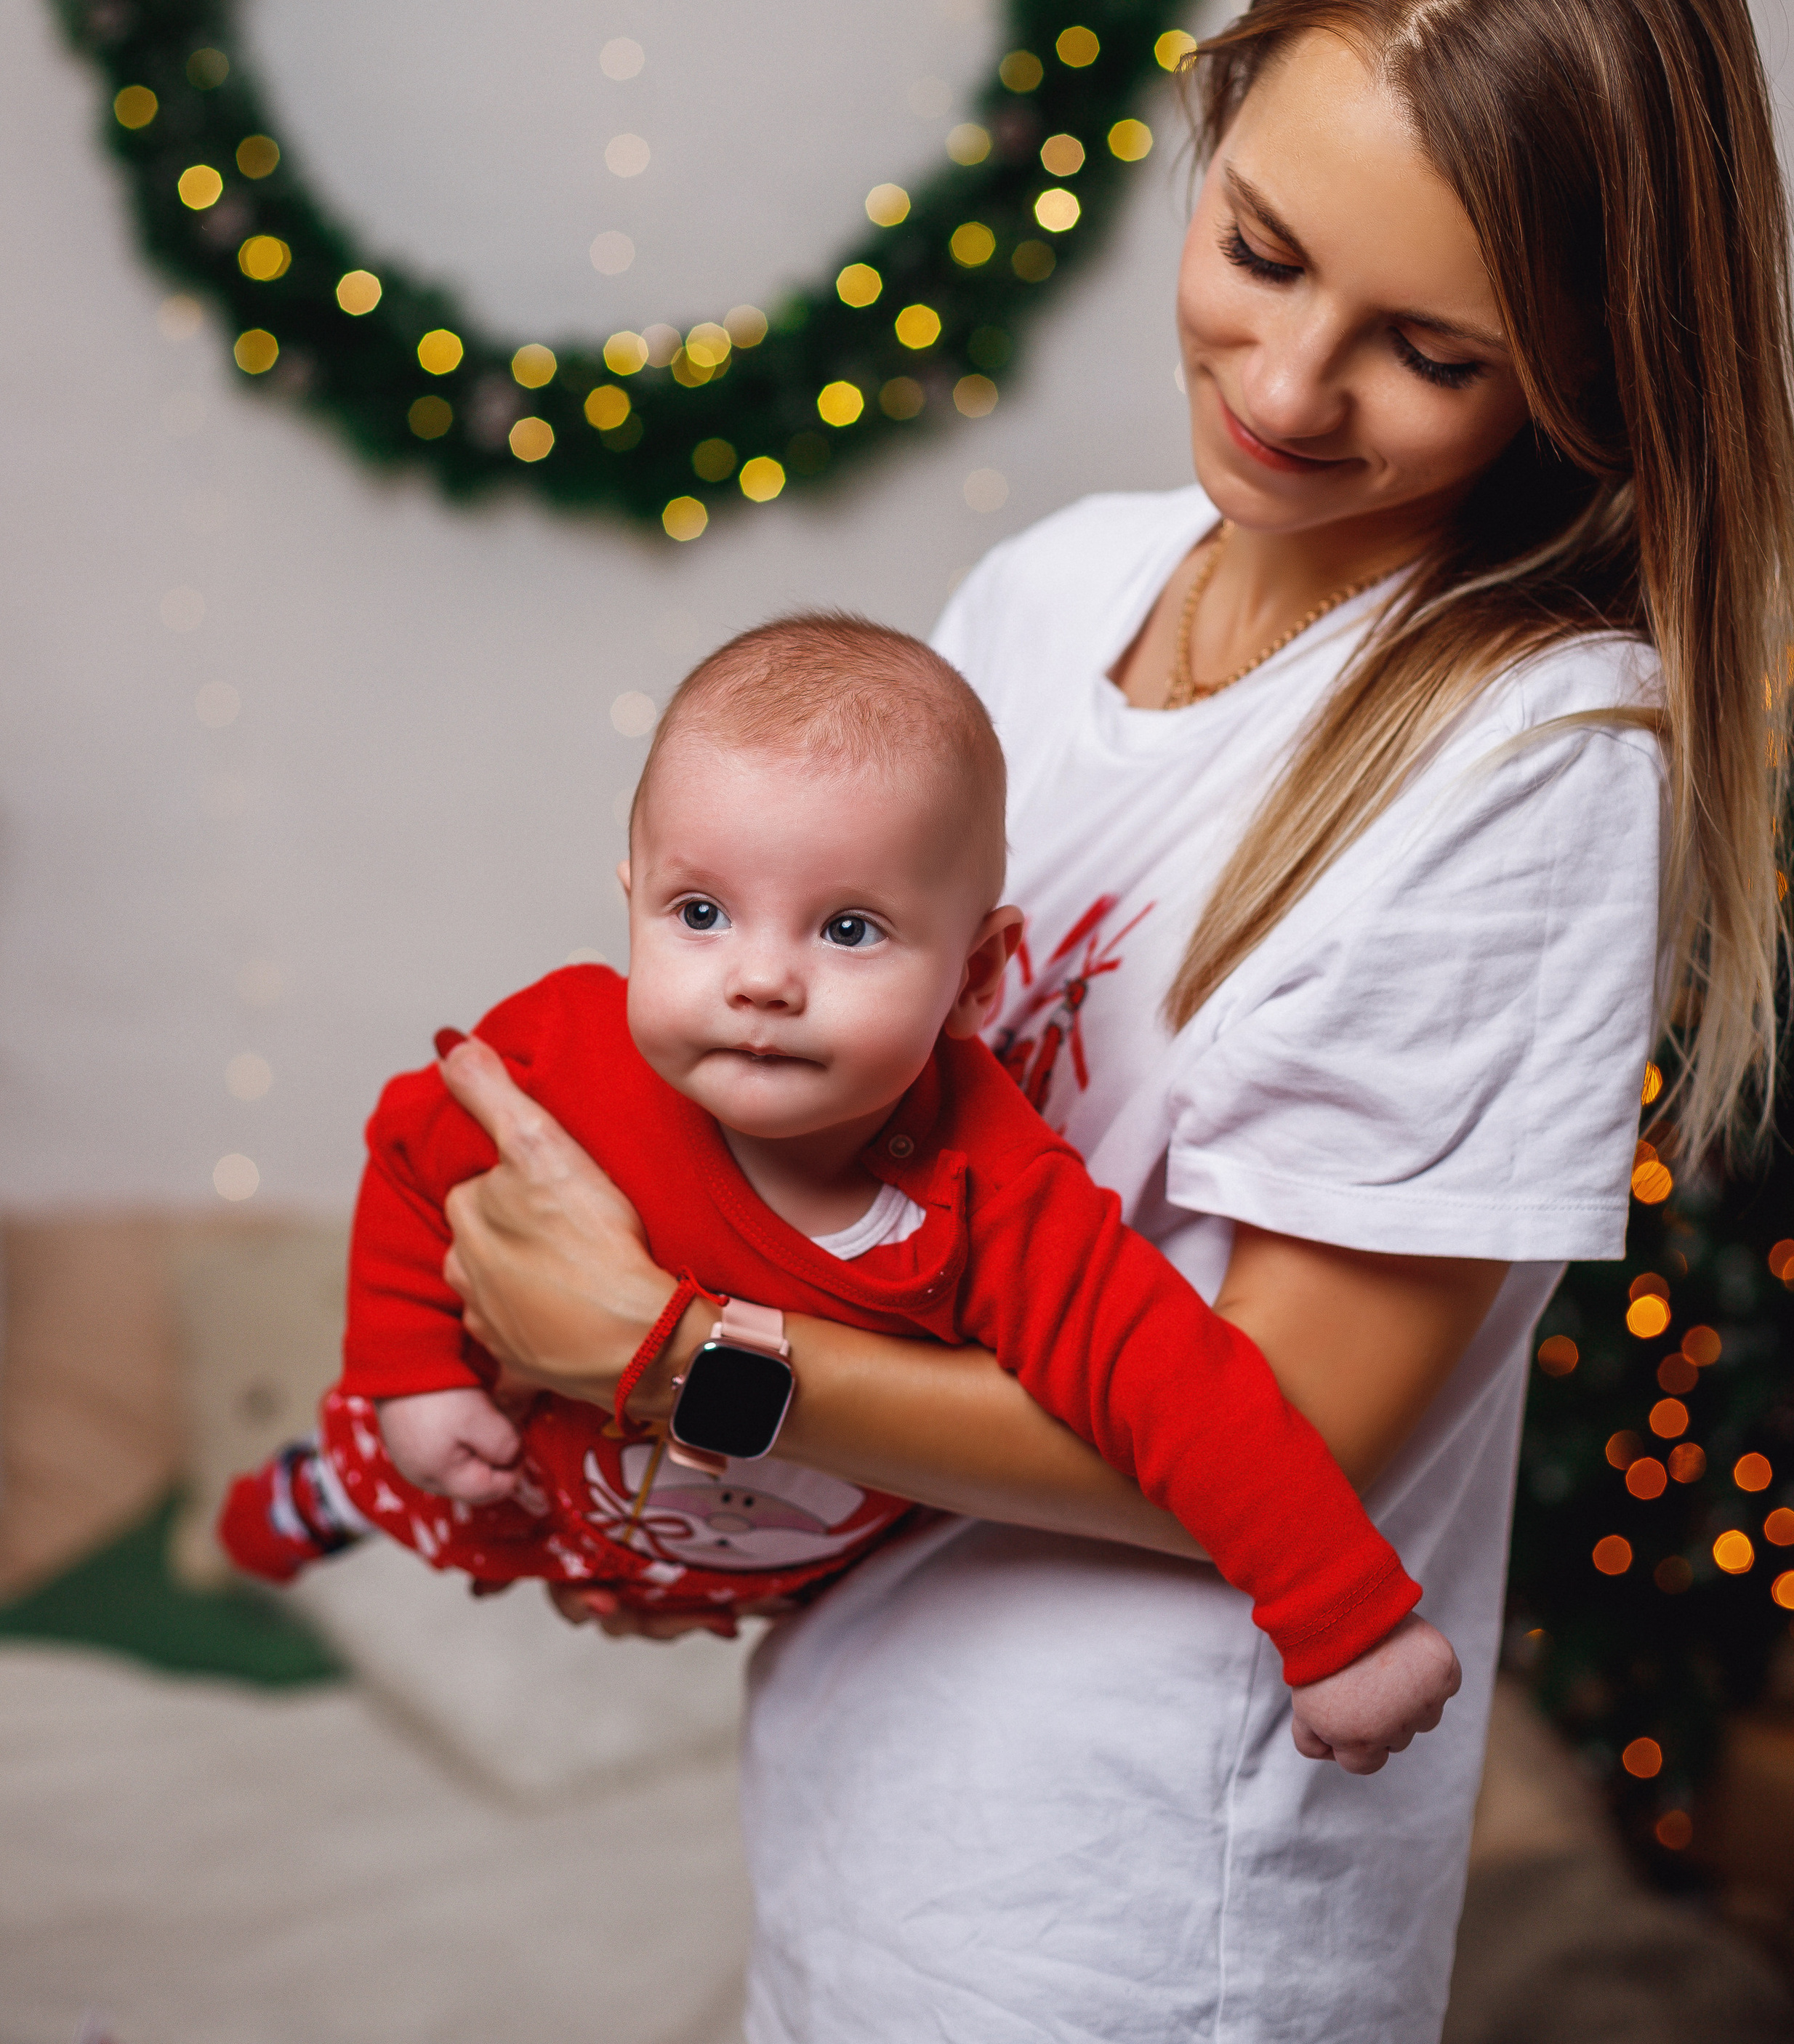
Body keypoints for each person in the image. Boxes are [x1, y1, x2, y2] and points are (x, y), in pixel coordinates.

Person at [433, 0, 1794, 2044]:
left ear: (1587, 371)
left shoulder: (1537, 755)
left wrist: (689, 1371)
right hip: (871, 1882)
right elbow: (901, 1201)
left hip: (1136, 1976)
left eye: (1433, 350)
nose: (1286, 380)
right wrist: (637, 1478)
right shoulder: (1053, 599)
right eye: (1260, 249)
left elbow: (1279, 1441)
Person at [221, 617, 1456, 1753]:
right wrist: (411, 1377)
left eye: (848, 930)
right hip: (517, 1456)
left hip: (750, 1559)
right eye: (699, 913)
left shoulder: (996, 1194)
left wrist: (1344, 1623)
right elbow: (408, 1157)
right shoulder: (560, 1057)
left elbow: (1184, 1394)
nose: (761, 979)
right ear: (632, 911)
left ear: (979, 979)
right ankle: (323, 1487)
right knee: (407, 1460)